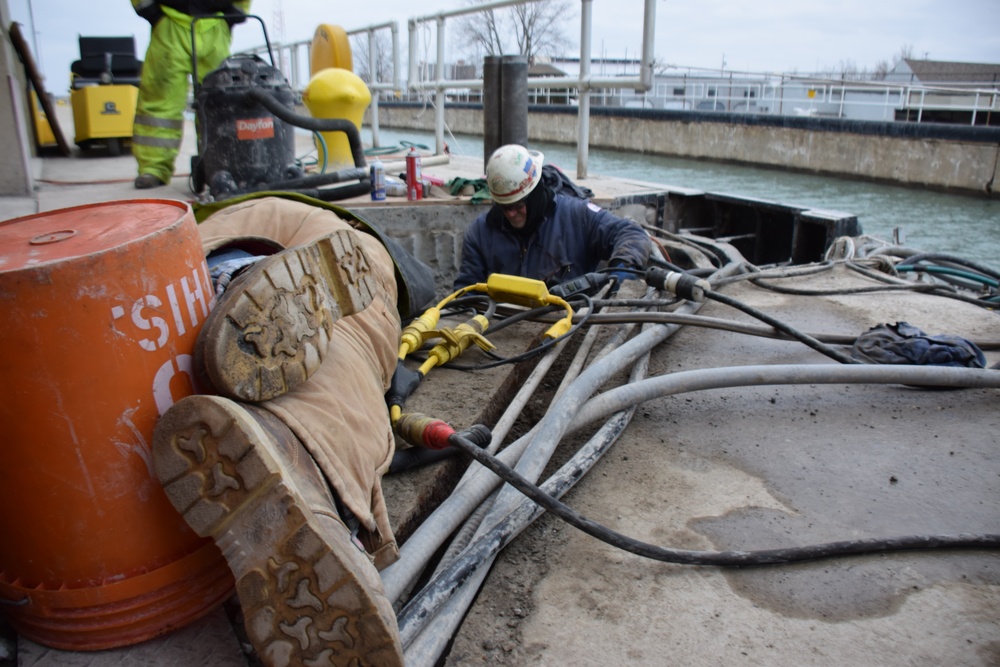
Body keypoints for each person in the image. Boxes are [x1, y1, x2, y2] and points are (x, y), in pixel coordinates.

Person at [153, 197, 417, 665]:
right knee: (349, 365)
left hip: (199, 246)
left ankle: (231, 279)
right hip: (350, 254)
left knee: (179, 305)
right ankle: (316, 487)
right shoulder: (369, 247)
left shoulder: (222, 209)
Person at [453, 143, 651, 290]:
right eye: (504, 207)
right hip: (506, 327)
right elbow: (465, 293)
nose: (511, 214)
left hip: (572, 323)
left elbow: (631, 234)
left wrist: (620, 274)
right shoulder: (480, 233)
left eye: (518, 206)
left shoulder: (577, 216)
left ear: (535, 194)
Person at [131, 0, 251, 189]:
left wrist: (232, 16)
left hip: (215, 24)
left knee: (219, 103)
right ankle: (154, 168)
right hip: (170, 23)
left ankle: (218, 165)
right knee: (160, 101)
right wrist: (152, 13)